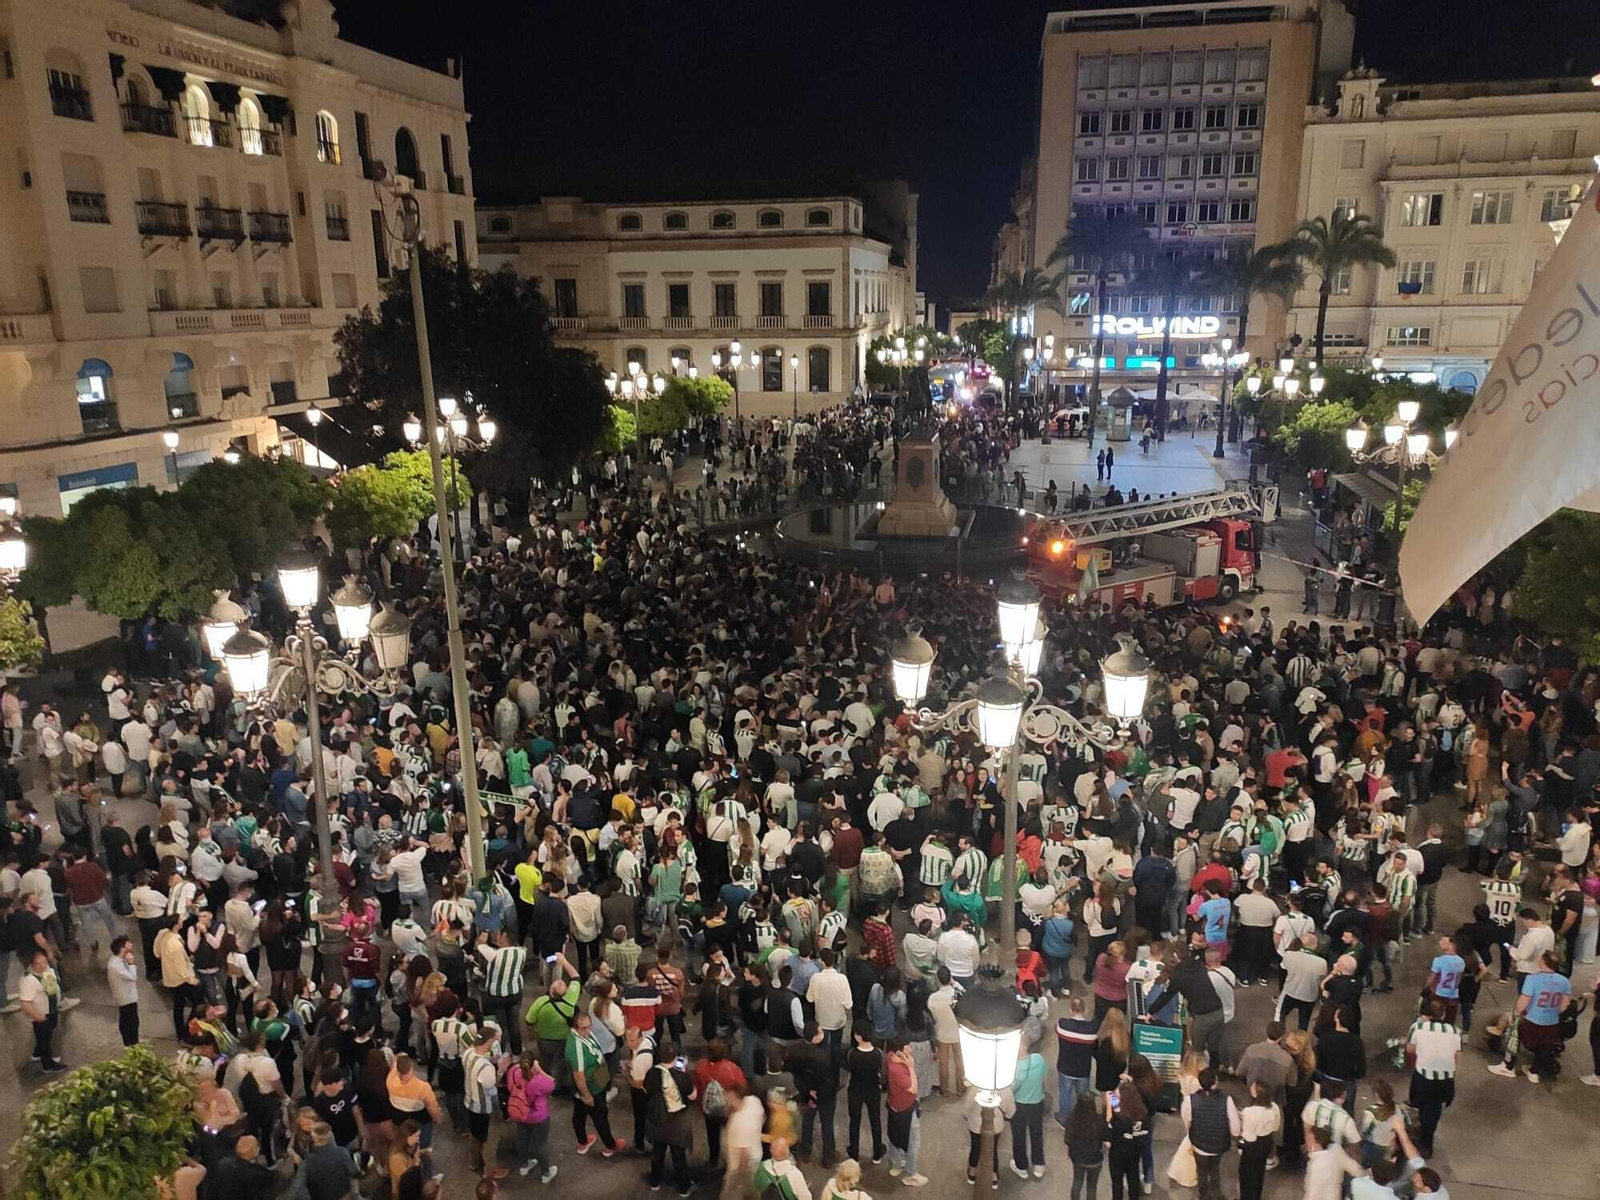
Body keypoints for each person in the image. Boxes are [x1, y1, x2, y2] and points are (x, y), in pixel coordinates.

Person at [1488, 948, 1572, 1081]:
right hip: (1551, 1021)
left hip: (1531, 1019)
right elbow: (1564, 1005)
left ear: (1543, 962)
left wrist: (1516, 1014)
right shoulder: (1564, 981)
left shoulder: (1532, 979)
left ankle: (1508, 1066)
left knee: (1514, 1038)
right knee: (1544, 1046)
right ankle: (1534, 1072)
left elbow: (1524, 1000)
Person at [567, 1009, 623, 1155]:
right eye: (583, 1028)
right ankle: (610, 1145)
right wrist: (588, 1096)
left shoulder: (585, 1035)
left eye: (588, 1026)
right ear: (575, 1028)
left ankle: (583, 1142)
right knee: (600, 1116)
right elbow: (579, 1075)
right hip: (592, 1088)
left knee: (579, 1114)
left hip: (594, 1081)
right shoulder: (576, 1047)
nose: (587, 1030)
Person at [645, 1039, 697, 1195]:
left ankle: (655, 1181)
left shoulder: (652, 1072)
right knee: (678, 1156)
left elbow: (646, 1089)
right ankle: (684, 1187)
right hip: (676, 1123)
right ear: (676, 1058)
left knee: (657, 1152)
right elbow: (692, 1095)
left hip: (656, 1120)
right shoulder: (681, 1076)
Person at [1181, 1067, 1239, 1200]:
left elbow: (1187, 1121)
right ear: (1215, 1082)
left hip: (1198, 1144)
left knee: (1201, 1172)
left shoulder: (1190, 1100)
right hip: (1220, 1144)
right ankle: (1217, 1195)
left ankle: (1203, 1196)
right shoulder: (1227, 1099)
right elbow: (1235, 1128)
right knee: (1215, 1170)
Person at [505, 1050, 558, 1182]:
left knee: (522, 1138)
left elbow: (509, 1087)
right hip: (538, 1116)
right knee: (540, 1144)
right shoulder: (538, 1080)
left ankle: (524, 1165)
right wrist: (540, 1070)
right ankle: (546, 1173)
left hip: (519, 1112)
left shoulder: (513, 1072)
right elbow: (553, 1084)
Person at [885, 1036, 926, 1186]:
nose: (910, 1048)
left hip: (895, 1105)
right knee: (913, 1141)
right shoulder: (898, 1070)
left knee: (895, 1135)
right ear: (899, 1052)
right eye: (907, 1046)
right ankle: (911, 1173)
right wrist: (911, 1067)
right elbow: (913, 1088)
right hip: (906, 1108)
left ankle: (896, 1164)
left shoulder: (889, 1057)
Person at [846, 1020, 886, 1165]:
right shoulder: (878, 1054)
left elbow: (850, 1068)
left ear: (858, 1036)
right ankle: (877, 1153)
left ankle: (854, 1153)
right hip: (873, 1090)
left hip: (855, 1090)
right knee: (875, 1120)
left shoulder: (852, 1054)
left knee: (854, 1121)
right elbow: (881, 1072)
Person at [18, 947, 65, 1072]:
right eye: (38, 964)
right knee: (44, 1039)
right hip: (41, 1014)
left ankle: (37, 1054)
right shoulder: (29, 980)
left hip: (52, 1010)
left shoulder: (48, 970)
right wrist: (38, 1017)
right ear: (32, 964)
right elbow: (25, 1003)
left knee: (46, 1035)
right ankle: (48, 1065)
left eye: (44, 962)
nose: (42, 966)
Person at [1236, 1080, 1280, 1200]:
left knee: (1246, 1173)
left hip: (1253, 1146)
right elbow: (1276, 1126)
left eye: (1253, 1087)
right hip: (1266, 1141)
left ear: (1256, 1094)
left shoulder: (1250, 1112)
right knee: (1259, 1172)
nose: (1250, 1087)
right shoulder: (1274, 1107)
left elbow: (1249, 1138)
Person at [1065, 1093, 1107, 1200]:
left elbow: (1067, 1139)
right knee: (1092, 1187)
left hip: (1078, 1158)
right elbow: (1106, 1137)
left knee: (1077, 1182)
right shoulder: (1099, 1120)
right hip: (1095, 1159)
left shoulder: (1072, 1119)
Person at [107, 934, 141, 1046]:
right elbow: (132, 977)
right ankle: (130, 1043)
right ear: (122, 948)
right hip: (125, 998)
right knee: (130, 1022)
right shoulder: (115, 965)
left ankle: (134, 1041)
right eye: (128, 944)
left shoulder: (120, 960)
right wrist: (131, 963)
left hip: (129, 996)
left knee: (133, 1021)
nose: (131, 945)